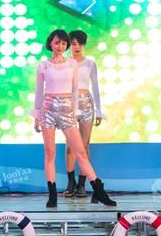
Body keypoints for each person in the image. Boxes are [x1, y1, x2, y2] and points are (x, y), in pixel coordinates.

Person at [32, 29, 116, 208]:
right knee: (50, 153)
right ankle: (52, 195)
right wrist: (36, 116)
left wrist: (75, 111)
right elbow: (38, 92)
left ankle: (99, 191)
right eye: (57, 42)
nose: (60, 46)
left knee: (81, 152)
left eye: (64, 43)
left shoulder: (72, 64)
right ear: (50, 43)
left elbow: (76, 90)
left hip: (67, 109)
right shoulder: (43, 65)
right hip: (48, 109)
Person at [64, 30, 103, 200]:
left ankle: (82, 184)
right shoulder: (64, 63)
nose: (77, 46)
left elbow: (95, 87)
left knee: (85, 146)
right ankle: (70, 182)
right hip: (69, 105)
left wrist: (99, 110)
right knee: (70, 146)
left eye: (80, 43)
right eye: (73, 43)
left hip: (87, 103)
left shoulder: (90, 63)